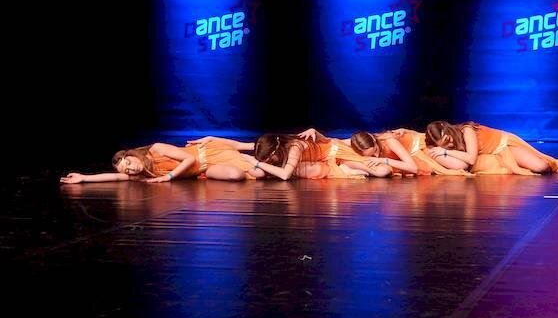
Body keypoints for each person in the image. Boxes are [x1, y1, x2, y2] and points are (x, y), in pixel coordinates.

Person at [188, 128, 390, 180]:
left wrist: (256, 163)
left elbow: (285, 175)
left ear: (276, 152)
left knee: (380, 171)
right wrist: (211, 137)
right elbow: (239, 145)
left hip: (335, 153)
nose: (268, 162)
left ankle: (353, 168)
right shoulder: (275, 144)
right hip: (324, 158)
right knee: (302, 170)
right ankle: (349, 169)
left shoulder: (294, 148)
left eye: (269, 159)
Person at [59, 139, 260, 184]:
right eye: (127, 170)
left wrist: (168, 177)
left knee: (258, 173)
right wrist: (84, 178)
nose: (131, 169)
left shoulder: (156, 149)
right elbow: (116, 177)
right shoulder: (144, 174)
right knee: (236, 176)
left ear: (132, 155)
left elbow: (189, 159)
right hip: (204, 170)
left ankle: (248, 156)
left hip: (207, 155)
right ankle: (245, 160)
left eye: (128, 163)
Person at [424, 121, 558, 175]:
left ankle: (557, 162)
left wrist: (445, 152)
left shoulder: (466, 131)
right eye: (444, 145)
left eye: (447, 140)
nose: (449, 145)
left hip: (504, 145)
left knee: (541, 166)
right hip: (493, 155)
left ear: (448, 130)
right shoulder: (448, 145)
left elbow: (471, 159)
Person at [349, 129, 473, 176]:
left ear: (375, 141)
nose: (375, 156)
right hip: (409, 155)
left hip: (420, 148)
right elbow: (344, 142)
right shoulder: (361, 144)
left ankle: (455, 151)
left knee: (460, 166)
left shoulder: (389, 141)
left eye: (375, 151)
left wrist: (382, 160)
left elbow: (413, 167)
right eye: (372, 155)